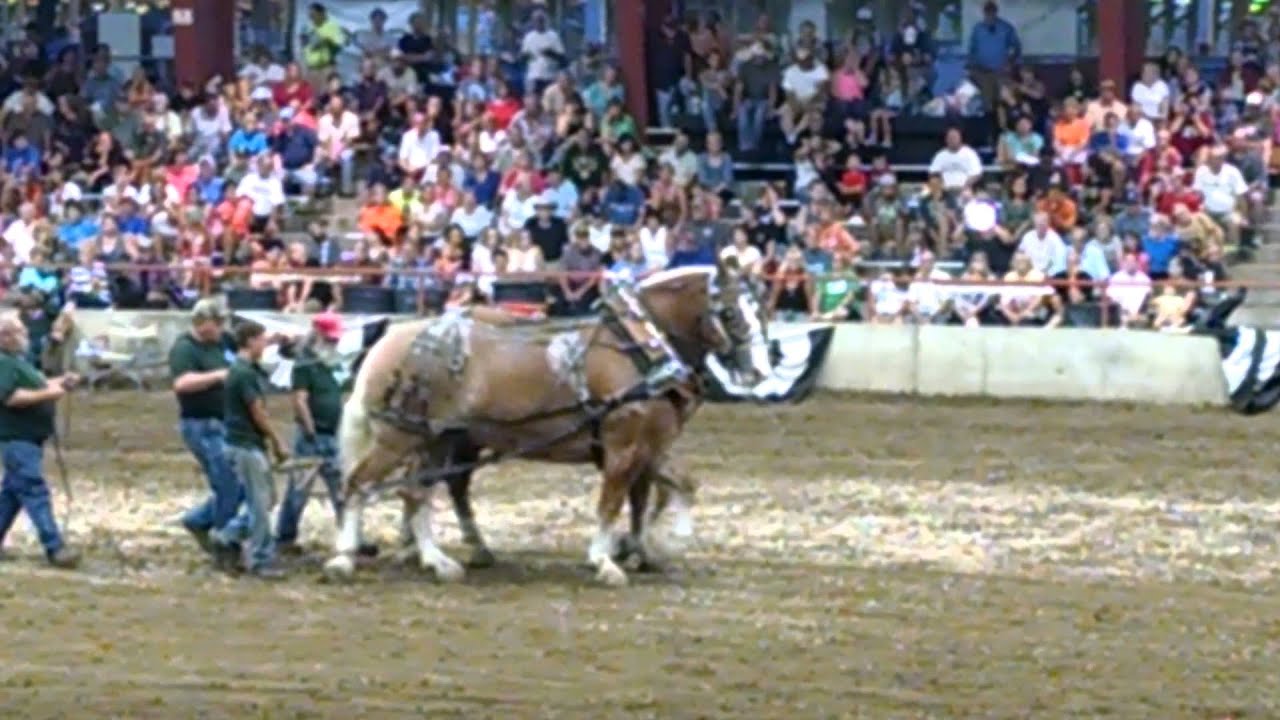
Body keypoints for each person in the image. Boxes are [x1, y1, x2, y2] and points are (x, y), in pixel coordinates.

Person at [0, 316, 80, 568]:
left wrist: (61, 383)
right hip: (16, 437)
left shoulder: (17, 362)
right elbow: (11, 397)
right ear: (5, 336)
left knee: (13, 493)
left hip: (28, 438)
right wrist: (50, 393)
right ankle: (54, 546)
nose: (25, 336)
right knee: (34, 490)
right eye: (20, 332)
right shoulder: (3, 363)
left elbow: (39, 384)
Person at [169, 298, 242, 562]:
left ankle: (199, 520)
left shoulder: (223, 342)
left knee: (239, 485)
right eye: (217, 322)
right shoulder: (185, 349)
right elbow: (182, 383)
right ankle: (225, 543)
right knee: (228, 484)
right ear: (202, 323)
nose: (222, 327)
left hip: (226, 422)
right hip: (202, 425)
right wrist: (219, 376)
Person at [275, 313, 346, 554]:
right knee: (299, 490)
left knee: (341, 488)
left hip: (331, 434)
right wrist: (310, 429)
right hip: (313, 437)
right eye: (330, 339)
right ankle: (285, 537)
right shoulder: (305, 365)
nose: (334, 344)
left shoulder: (329, 363)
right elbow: (299, 399)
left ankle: (350, 535)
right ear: (318, 336)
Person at [223, 320, 289, 578]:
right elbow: (258, 412)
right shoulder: (245, 374)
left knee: (266, 498)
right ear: (250, 342)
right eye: (261, 340)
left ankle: (228, 535)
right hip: (247, 444)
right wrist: (277, 441)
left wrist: (276, 341)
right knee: (260, 504)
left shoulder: (240, 369)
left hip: (243, 442)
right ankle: (261, 559)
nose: (265, 344)